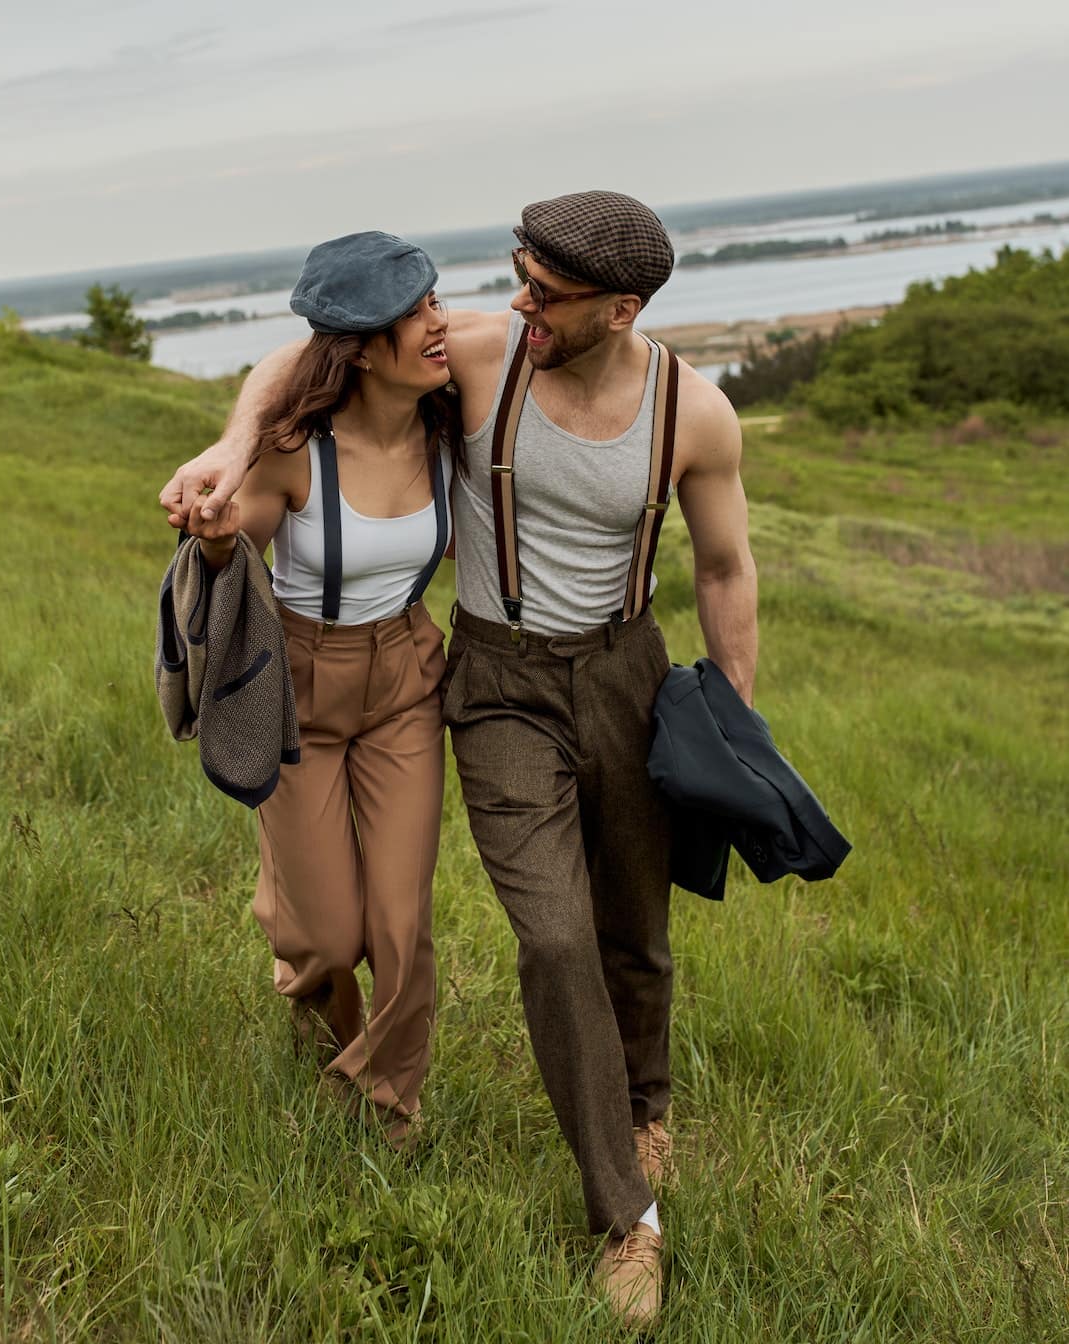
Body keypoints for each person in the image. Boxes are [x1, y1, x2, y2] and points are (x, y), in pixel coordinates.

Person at [160, 191, 758, 1327]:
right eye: (516, 276)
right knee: (551, 933)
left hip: (627, 671)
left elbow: (725, 568)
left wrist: (733, 714)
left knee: (635, 927)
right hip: (493, 685)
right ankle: (625, 1219)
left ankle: (647, 1103)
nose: (515, 300)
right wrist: (236, 444)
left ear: (619, 307)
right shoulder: (488, 358)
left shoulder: (697, 410)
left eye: (546, 290)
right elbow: (310, 346)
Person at [169, 230, 461, 1146]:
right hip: (296, 685)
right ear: (361, 350)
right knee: (331, 936)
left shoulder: (453, 420)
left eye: (434, 301)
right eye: (415, 314)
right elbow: (230, 539)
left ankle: (385, 1102)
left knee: (401, 924)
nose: (438, 322)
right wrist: (215, 534)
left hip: (406, 681)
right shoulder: (296, 451)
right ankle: (301, 964)